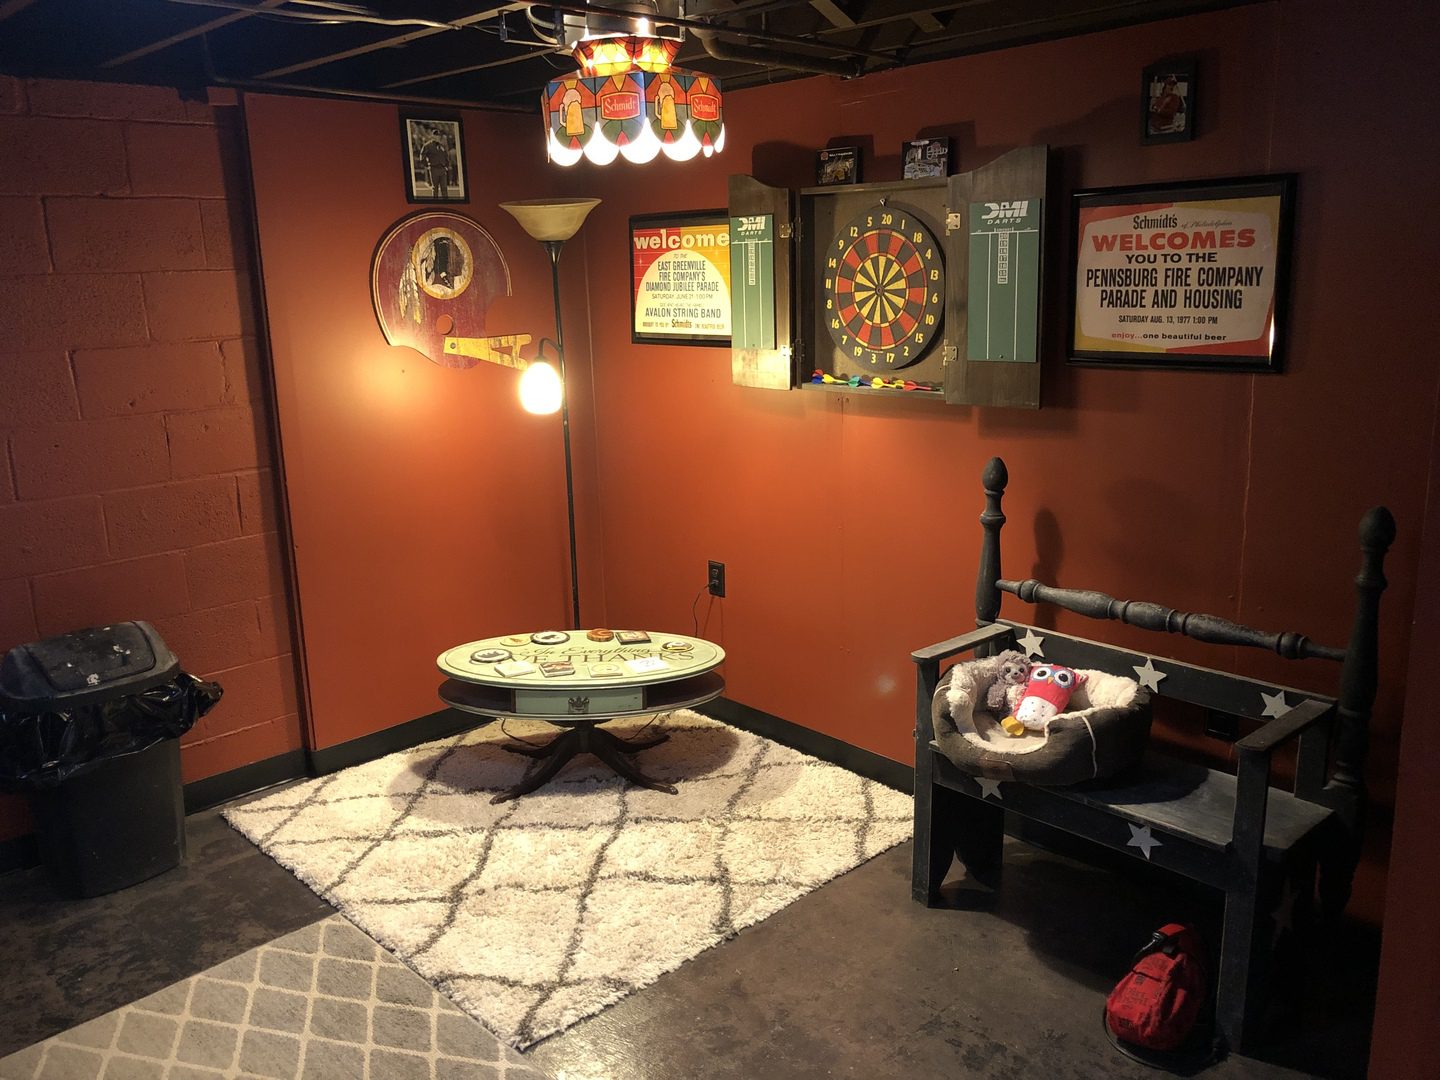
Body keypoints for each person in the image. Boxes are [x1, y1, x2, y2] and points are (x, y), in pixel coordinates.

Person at [418, 129, 452, 198]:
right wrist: (427, 165)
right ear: (432, 136)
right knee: (435, 188)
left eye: (438, 135)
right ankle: (436, 203)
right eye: (436, 135)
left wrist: (447, 166)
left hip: (442, 169)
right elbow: (422, 156)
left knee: (444, 188)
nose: (437, 137)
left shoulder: (442, 146)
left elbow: (446, 156)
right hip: (434, 169)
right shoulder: (427, 145)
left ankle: (446, 203)